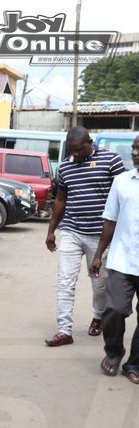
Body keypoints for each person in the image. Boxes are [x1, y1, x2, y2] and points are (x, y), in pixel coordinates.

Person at [45, 126, 125, 347]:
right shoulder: (66, 167)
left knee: (100, 284)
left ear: (90, 143)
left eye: (79, 150)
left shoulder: (111, 161)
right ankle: (64, 330)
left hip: (101, 235)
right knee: (65, 281)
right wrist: (51, 230)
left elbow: (124, 194)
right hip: (71, 230)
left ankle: (98, 316)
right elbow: (60, 201)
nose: (76, 155)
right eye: (71, 151)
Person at [90, 135, 139, 381]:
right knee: (114, 310)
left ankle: (134, 365)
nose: (135, 152)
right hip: (122, 259)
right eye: (134, 147)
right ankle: (113, 352)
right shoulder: (121, 182)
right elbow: (109, 220)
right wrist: (99, 255)